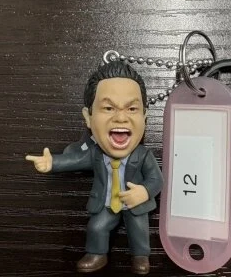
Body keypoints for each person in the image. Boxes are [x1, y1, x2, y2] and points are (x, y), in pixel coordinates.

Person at [26, 62, 163, 275]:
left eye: (132, 109)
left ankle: (140, 256)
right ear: (88, 118)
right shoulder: (95, 154)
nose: (121, 118)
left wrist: (143, 192)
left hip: (135, 205)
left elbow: (157, 180)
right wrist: (52, 163)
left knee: (139, 229)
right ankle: (97, 254)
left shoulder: (143, 155)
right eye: (108, 108)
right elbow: (75, 160)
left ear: (144, 118)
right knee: (96, 227)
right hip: (106, 204)